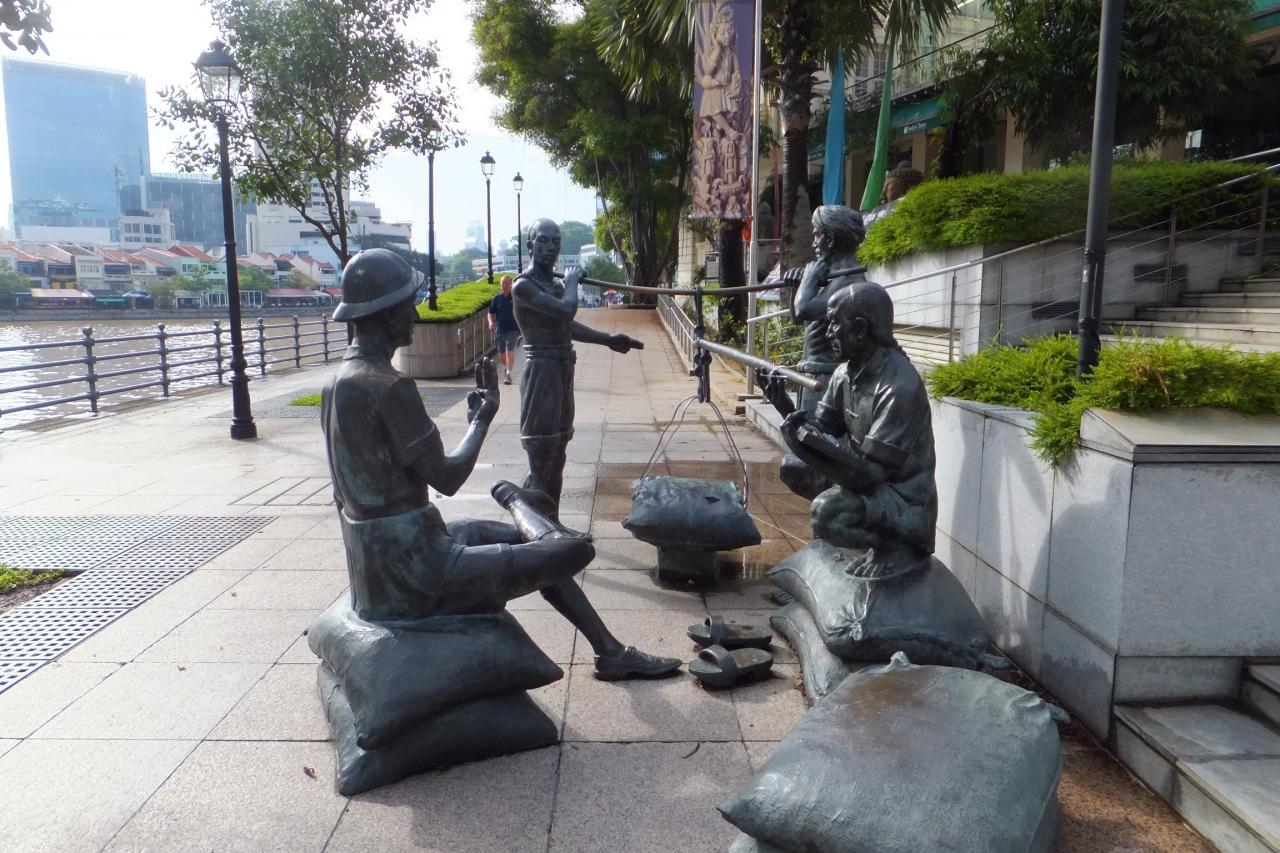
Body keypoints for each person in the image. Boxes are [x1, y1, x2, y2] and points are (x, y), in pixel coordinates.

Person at [322, 248, 679, 680]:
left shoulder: (335, 384)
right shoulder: (389, 386)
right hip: (417, 576)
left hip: (379, 569)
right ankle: (516, 501)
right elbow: (448, 478)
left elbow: (342, 495)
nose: (414, 315)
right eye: (407, 305)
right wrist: (482, 418)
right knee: (571, 550)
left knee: (510, 537)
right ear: (384, 313)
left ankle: (609, 650)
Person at [759, 281, 937, 579]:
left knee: (826, 512)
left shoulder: (899, 387)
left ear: (859, 328)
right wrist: (785, 408)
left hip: (901, 499)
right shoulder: (845, 372)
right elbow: (823, 428)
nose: (827, 333)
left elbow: (871, 476)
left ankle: (895, 549)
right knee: (793, 468)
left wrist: (809, 448)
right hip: (862, 477)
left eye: (833, 323)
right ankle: (835, 548)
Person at [512, 219, 643, 510]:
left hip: (562, 370)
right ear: (530, 245)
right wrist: (572, 283)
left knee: (559, 450)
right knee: (541, 451)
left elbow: (566, 326)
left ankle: (552, 520)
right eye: (543, 240)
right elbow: (565, 311)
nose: (550, 247)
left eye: (556, 241)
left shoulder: (554, 285)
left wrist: (608, 339)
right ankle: (532, 520)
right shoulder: (523, 286)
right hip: (542, 372)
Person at [777, 205, 867, 499]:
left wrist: (807, 280)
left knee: (816, 456)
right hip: (815, 374)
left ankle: (828, 511)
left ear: (830, 239)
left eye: (817, 235)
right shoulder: (832, 276)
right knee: (808, 450)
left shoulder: (848, 282)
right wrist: (799, 285)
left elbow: (805, 309)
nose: (813, 241)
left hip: (827, 379)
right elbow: (798, 315)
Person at [488, 275, 520, 384]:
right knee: (502, 353)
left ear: (511, 285)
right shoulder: (497, 298)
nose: (505, 285)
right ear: (500, 285)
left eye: (507, 283)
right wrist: (491, 322)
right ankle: (507, 368)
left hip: (513, 329)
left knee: (509, 350)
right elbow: (490, 313)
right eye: (503, 283)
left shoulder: (515, 298)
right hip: (500, 329)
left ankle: (508, 374)